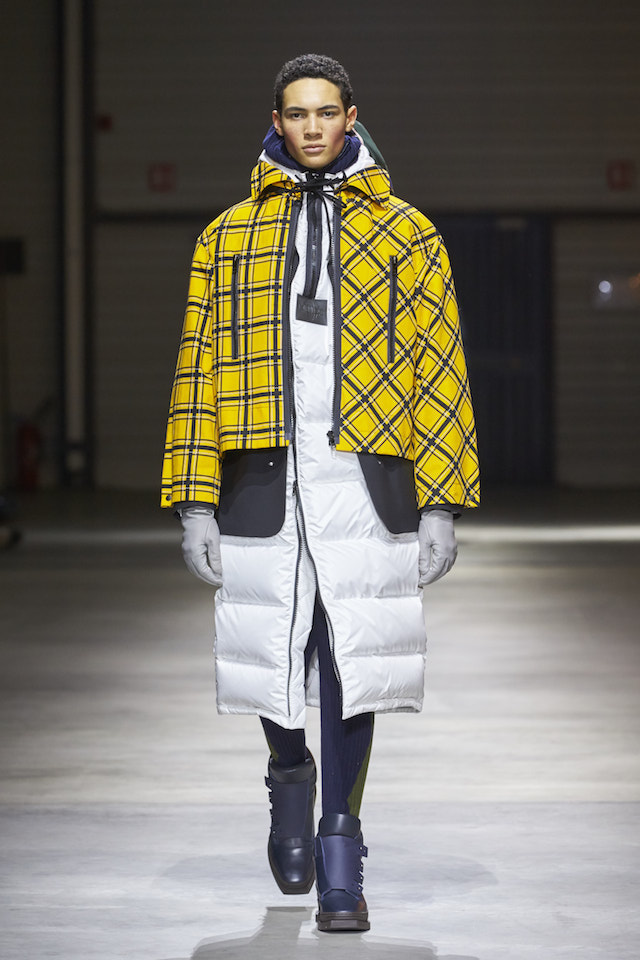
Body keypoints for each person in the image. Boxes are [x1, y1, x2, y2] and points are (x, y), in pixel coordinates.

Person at [161, 53, 479, 933]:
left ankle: (344, 856)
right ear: (276, 119)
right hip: (262, 481)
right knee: (270, 655)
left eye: (326, 112)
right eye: (296, 113)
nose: (311, 127)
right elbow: (198, 369)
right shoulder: (228, 237)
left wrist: (442, 500)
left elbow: (439, 368)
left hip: (365, 482)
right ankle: (289, 774)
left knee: (351, 666)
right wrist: (194, 499)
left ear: (350, 116)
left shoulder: (408, 234)